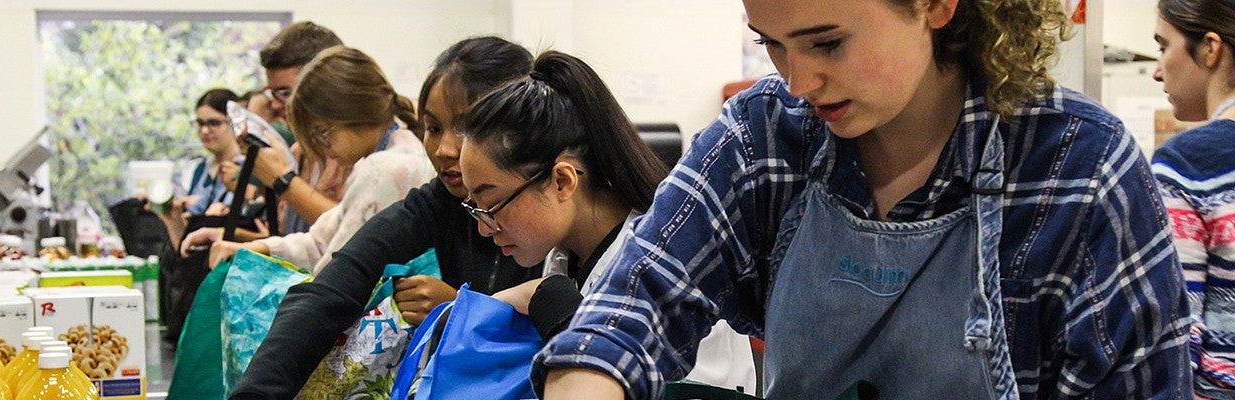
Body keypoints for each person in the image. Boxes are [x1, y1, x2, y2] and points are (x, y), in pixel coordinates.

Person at [535, 0, 1192, 399]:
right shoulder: (763, 140)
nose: (798, 82)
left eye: (827, 42)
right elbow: (632, 304)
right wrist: (590, 378)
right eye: (772, 43)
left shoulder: (1078, 168)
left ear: (936, 4)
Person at [227, 36, 543, 399]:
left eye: (466, 127)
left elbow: (572, 334)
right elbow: (337, 282)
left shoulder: (569, 228)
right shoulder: (442, 201)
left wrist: (466, 310)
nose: (444, 150)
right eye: (434, 128)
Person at [459, 51, 759, 392]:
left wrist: (554, 305)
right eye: (475, 207)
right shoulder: (565, 257)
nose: (485, 227)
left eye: (493, 204)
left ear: (562, 181)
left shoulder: (671, 263)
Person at [183, 46, 434, 272]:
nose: (322, 146)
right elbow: (321, 240)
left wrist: (282, 180)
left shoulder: (385, 169)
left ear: (352, 114)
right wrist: (258, 248)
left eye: (323, 133)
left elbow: (337, 268)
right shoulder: (387, 154)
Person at [1149, 1, 1235, 397]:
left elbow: (1176, 335)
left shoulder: (1188, 164)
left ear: (1210, 49)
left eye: (1163, 46)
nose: (1156, 69)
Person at [257, 21, 353, 235]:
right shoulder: (301, 152)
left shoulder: (362, 152)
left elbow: (353, 233)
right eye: (272, 93)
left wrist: (282, 179)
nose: (274, 104)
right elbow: (300, 240)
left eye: (285, 92)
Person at [152, 88, 244, 250]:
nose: (204, 131)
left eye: (214, 123)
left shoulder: (248, 168)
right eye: (200, 123)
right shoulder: (200, 169)